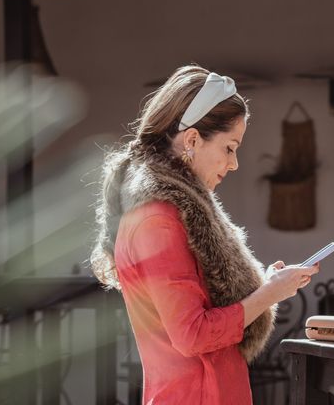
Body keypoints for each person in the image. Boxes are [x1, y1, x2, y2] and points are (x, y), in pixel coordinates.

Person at [90, 65, 319, 405]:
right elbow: (193, 336)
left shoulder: (164, 213)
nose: (235, 163)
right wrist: (269, 293)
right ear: (193, 140)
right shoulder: (159, 221)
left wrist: (266, 286)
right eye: (230, 147)